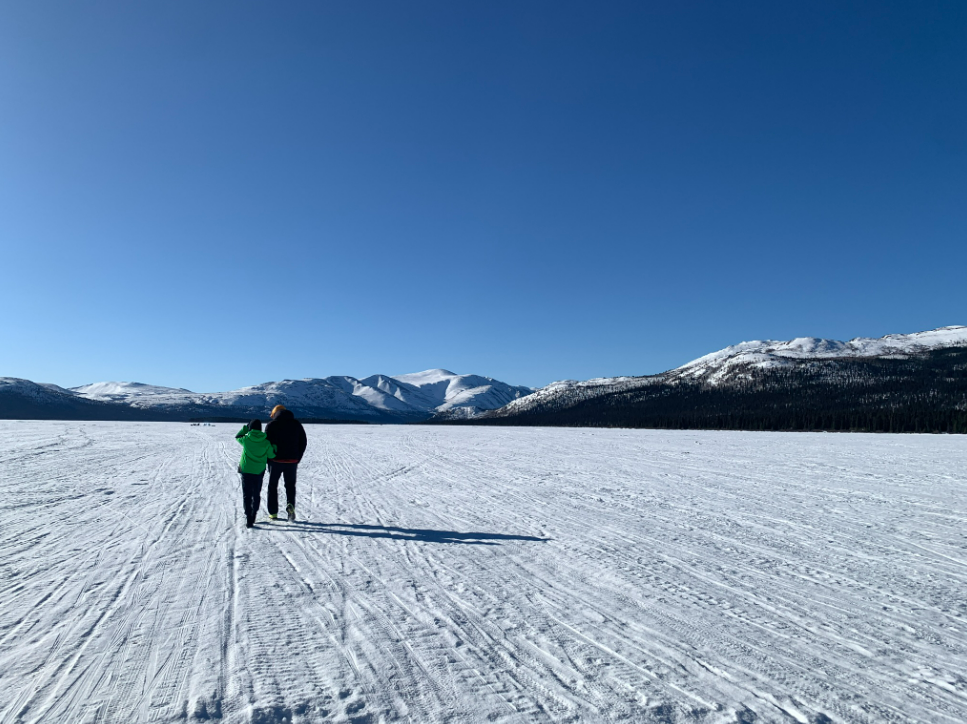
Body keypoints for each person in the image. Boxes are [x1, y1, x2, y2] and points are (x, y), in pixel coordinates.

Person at [264, 404, 307, 521]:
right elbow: (303, 442)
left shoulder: (271, 425)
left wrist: (268, 458)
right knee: (290, 486)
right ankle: (290, 506)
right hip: (292, 461)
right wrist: (297, 458)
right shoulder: (296, 424)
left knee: (272, 486)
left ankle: (273, 513)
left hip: (275, 461)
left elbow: (265, 443)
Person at [235, 419, 277, 528]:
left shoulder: (246, 439)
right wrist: (274, 448)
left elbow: (238, 437)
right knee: (256, 493)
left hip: (246, 470)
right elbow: (272, 456)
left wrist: (245, 428)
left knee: (247, 494)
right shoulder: (266, 442)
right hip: (259, 471)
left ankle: (248, 516)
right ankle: (254, 514)